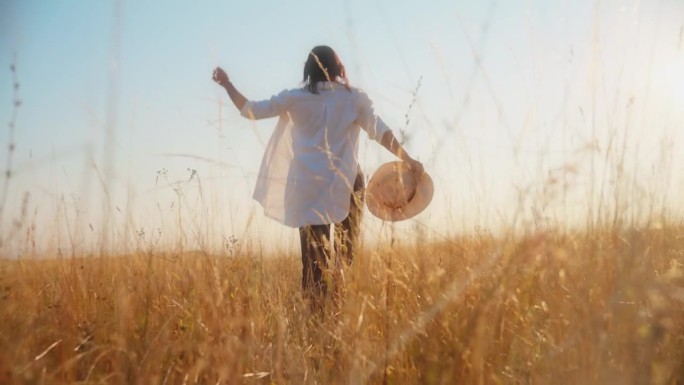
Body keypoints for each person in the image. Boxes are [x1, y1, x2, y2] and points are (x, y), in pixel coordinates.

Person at [212, 45, 423, 309]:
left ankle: (315, 321)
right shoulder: (353, 98)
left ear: (307, 69)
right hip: (347, 186)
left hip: (307, 189)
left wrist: (227, 84)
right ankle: (340, 314)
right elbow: (380, 131)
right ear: (338, 68)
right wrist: (408, 158)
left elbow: (251, 111)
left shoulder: (296, 97)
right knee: (345, 259)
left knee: (314, 265)